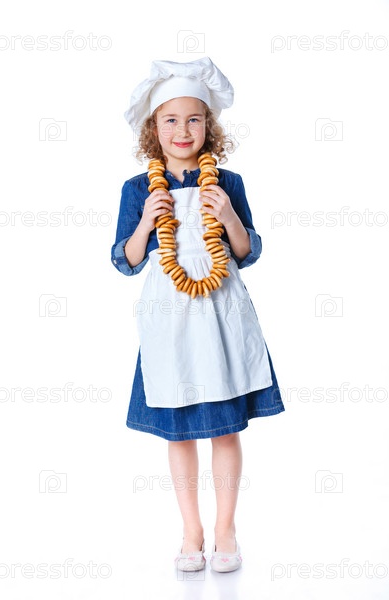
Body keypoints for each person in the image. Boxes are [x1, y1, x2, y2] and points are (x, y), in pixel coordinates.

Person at [111, 57, 285, 573]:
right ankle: (192, 532)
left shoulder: (228, 182)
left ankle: (226, 529)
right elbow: (125, 260)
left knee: (224, 429)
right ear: (154, 128)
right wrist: (146, 224)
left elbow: (246, 252)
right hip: (169, 321)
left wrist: (228, 216)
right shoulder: (138, 189)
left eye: (194, 119)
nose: (182, 130)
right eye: (171, 120)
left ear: (209, 125)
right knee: (179, 430)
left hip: (221, 314)